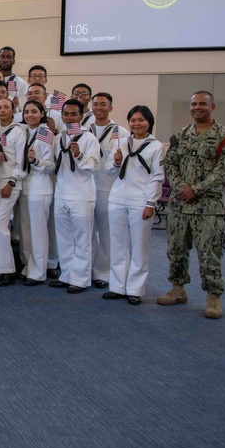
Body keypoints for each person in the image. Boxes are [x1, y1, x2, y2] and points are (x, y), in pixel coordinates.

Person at [159, 91, 225, 319]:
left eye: (202, 104)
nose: (197, 107)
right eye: (194, 104)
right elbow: (171, 164)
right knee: (175, 250)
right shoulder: (181, 135)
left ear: (212, 106)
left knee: (209, 253)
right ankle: (178, 289)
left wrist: (195, 189)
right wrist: (180, 187)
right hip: (180, 206)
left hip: (208, 208)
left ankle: (213, 297)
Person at [104, 105, 164, 305]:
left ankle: (135, 289)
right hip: (118, 198)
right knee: (118, 244)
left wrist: (151, 203)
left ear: (149, 122)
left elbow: (157, 177)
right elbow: (110, 172)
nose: (136, 124)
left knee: (139, 246)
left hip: (141, 201)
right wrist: (116, 162)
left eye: (141, 120)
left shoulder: (156, 147)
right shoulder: (121, 143)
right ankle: (118, 286)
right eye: (133, 120)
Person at [50, 100, 101, 294]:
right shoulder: (58, 138)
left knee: (82, 238)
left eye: (73, 114)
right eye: (66, 114)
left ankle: (80, 279)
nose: (69, 117)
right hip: (62, 193)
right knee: (63, 237)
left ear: (81, 116)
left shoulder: (89, 139)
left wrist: (79, 156)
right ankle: (67, 275)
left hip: (81, 195)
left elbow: (95, 166)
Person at [0, 96, 28, 285]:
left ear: (13, 110)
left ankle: (7, 270)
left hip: (9, 185)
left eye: (6, 107)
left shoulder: (18, 132)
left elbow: (21, 161)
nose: (3, 110)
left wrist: (11, 182)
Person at [89, 92, 124, 289]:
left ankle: (102, 271)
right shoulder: (84, 128)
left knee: (105, 232)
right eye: (96, 104)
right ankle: (84, 270)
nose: (99, 108)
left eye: (103, 104)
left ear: (110, 107)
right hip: (84, 187)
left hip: (107, 187)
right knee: (86, 232)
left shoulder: (121, 132)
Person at [17, 100, 55, 285]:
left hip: (40, 188)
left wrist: (36, 161)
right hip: (25, 186)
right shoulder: (23, 131)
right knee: (25, 230)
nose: (30, 115)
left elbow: (50, 165)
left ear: (42, 113)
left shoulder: (46, 133)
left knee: (38, 231)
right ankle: (27, 266)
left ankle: (39, 271)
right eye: (26, 112)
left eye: (34, 111)